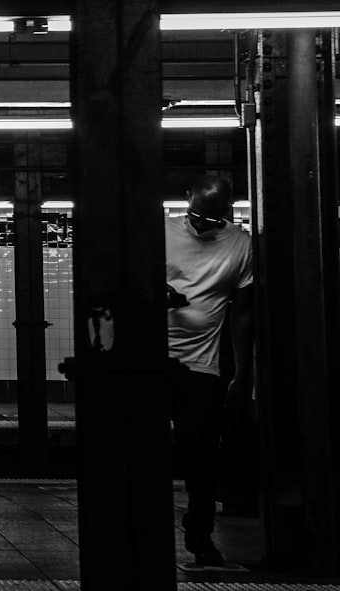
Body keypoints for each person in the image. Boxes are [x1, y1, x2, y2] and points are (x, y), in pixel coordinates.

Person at [165, 174, 253, 567]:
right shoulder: (160, 232)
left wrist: (243, 372)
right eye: (196, 216)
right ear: (186, 199)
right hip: (151, 362)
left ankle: (201, 539)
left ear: (228, 214)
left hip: (202, 366)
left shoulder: (241, 244)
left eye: (212, 221)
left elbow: (244, 313)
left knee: (202, 459)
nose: (202, 226)